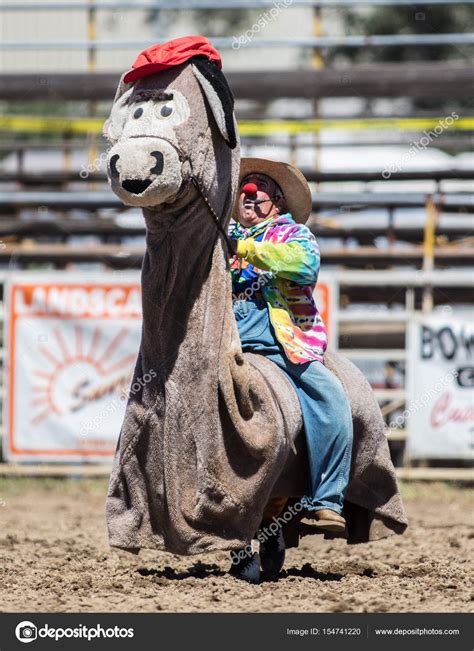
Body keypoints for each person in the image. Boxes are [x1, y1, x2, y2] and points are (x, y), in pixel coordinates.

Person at [229, 158, 353, 580]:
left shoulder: (295, 235)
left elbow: (303, 267)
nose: (248, 193)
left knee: (330, 395)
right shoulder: (220, 242)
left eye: (259, 187)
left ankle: (327, 500)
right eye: (244, 187)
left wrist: (243, 247)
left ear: (276, 203)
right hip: (227, 347)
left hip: (287, 346)